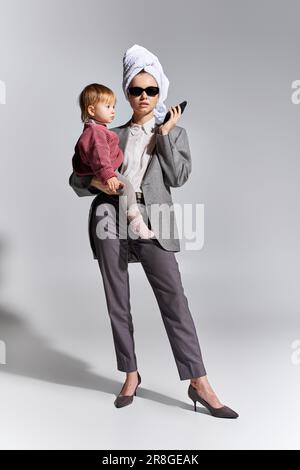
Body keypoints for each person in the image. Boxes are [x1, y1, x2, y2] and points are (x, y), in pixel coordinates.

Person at [69, 44, 238, 418]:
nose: (143, 97)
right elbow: (76, 179)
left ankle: (199, 381)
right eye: (135, 90)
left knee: (175, 301)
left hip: (154, 223)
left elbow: (178, 178)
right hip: (109, 219)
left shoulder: (175, 134)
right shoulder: (107, 132)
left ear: (160, 92)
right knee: (118, 302)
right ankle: (130, 373)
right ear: (126, 93)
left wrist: (163, 135)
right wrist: (101, 184)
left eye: (151, 90)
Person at [72, 83, 155, 239]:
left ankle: (132, 220)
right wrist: (108, 175)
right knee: (127, 187)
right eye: (108, 106)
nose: (113, 111)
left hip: (105, 172)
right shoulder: (96, 133)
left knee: (125, 189)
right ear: (91, 110)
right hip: (105, 173)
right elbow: (100, 156)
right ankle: (136, 222)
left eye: (113, 106)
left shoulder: (97, 130)